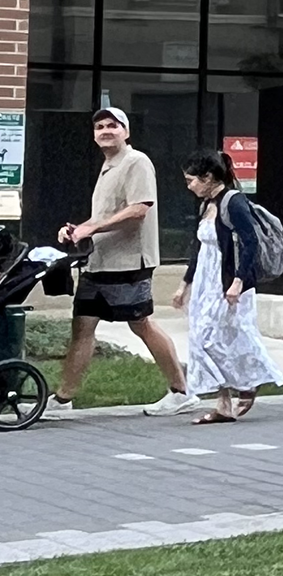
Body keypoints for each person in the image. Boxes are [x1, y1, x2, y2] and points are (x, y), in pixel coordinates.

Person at [48, 105, 191, 416]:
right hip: (98, 263)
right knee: (82, 327)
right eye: (100, 127)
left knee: (141, 324)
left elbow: (140, 208)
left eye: (113, 125)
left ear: (126, 132)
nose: (105, 131)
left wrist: (94, 227)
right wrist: (78, 230)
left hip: (129, 263)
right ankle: (63, 398)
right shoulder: (109, 166)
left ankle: (180, 392)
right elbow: (105, 216)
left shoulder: (136, 162)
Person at [174, 148, 283, 422]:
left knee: (228, 336)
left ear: (208, 177)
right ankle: (223, 403)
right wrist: (185, 285)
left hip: (229, 283)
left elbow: (250, 243)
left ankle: (249, 382)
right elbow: (199, 249)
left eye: (192, 180)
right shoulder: (205, 205)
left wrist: (237, 282)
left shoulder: (233, 203)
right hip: (205, 283)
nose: (189, 186)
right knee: (202, 339)